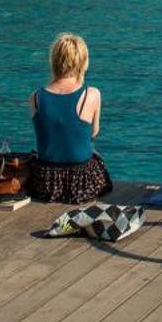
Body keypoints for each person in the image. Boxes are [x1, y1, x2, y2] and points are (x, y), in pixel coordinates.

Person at [28, 32, 113, 203]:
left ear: (53, 61)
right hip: (82, 182)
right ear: (83, 62)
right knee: (94, 156)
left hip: (45, 182)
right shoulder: (92, 94)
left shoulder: (36, 96)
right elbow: (93, 132)